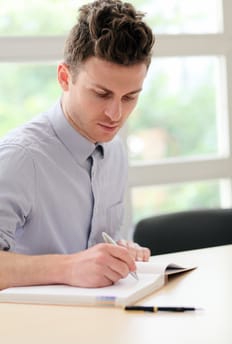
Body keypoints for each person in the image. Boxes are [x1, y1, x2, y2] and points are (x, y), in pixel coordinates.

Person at [0, 0, 155, 290]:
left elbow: (96, 251)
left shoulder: (114, 150)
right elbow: (77, 266)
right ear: (64, 77)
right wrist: (69, 267)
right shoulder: (20, 158)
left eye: (130, 97)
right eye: (101, 93)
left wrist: (118, 255)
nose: (115, 114)